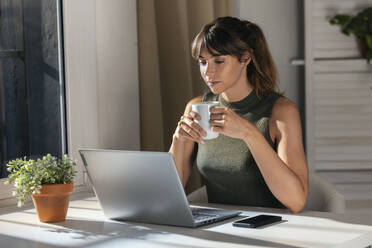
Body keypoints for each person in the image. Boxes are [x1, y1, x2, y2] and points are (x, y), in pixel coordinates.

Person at [169, 16, 308, 213]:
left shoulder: (281, 112)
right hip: (219, 229)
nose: (208, 72)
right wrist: (178, 140)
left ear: (245, 58)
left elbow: (296, 201)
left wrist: (248, 134)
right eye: (202, 62)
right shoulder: (197, 107)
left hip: (273, 230)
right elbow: (170, 193)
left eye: (218, 61)